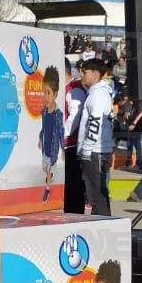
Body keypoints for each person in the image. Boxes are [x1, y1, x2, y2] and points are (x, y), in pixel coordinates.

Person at [75, 58, 114, 215]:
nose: (81, 75)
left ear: (96, 75)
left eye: (85, 72)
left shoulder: (98, 95)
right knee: (97, 195)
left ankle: (104, 230)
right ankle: (104, 227)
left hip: (94, 152)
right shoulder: (97, 93)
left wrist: (86, 151)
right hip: (97, 151)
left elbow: (95, 123)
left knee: (97, 196)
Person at [63, 59, 87, 214]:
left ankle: (75, 218)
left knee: (73, 188)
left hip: (72, 146)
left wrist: (61, 136)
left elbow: (74, 118)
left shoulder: (74, 90)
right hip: (66, 145)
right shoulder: (65, 88)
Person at [38, 66, 63, 203]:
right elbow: (43, 127)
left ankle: (47, 189)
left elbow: (60, 131)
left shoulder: (57, 114)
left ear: (55, 94)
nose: (45, 97)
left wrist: (63, 148)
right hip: (45, 145)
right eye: (44, 93)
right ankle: (49, 175)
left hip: (53, 147)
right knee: (44, 167)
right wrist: (39, 138)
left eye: (48, 93)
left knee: (47, 168)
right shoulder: (44, 111)